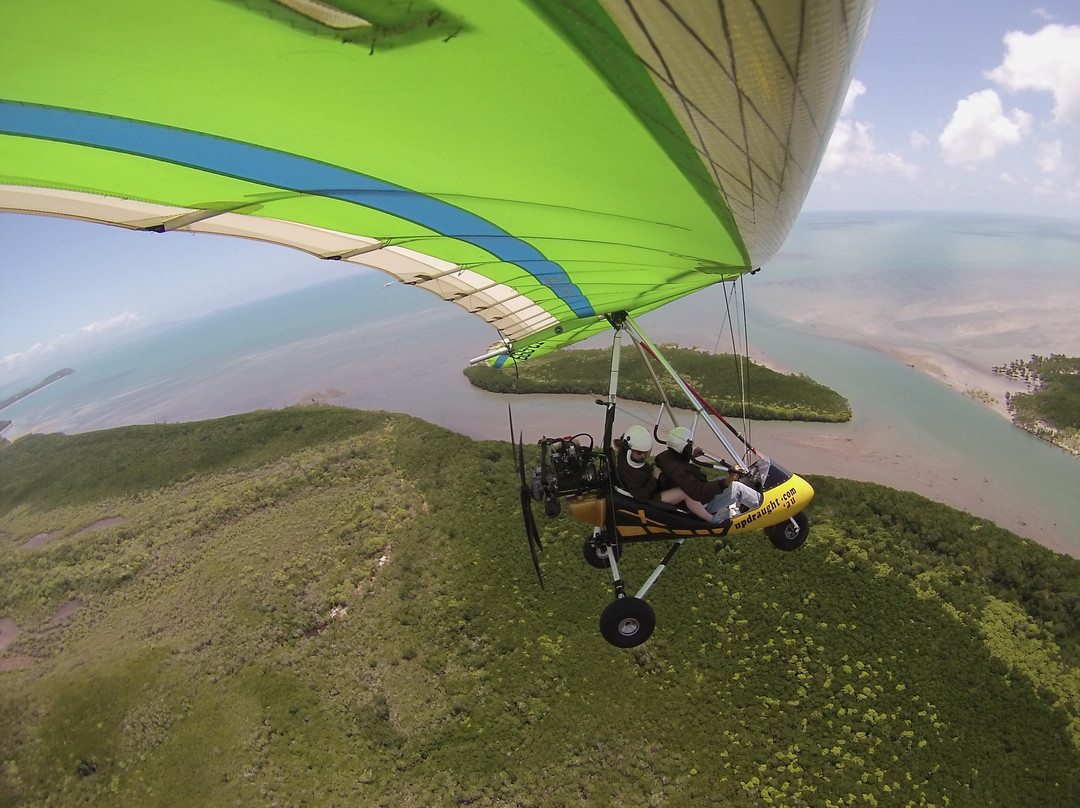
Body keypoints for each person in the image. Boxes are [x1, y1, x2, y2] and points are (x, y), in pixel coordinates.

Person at [654, 426, 762, 522]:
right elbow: (699, 492)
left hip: (687, 497)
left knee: (720, 478)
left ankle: (747, 498)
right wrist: (729, 479)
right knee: (737, 488)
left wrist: (692, 455)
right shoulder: (680, 472)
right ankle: (763, 505)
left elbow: (678, 463)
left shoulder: (665, 456)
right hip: (701, 505)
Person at [614, 425, 716, 524]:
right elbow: (641, 496)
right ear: (628, 449)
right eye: (639, 453)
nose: (643, 456)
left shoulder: (628, 457)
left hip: (655, 487)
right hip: (653, 497)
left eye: (645, 453)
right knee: (685, 492)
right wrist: (654, 478)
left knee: (675, 472)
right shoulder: (628, 470)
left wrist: (691, 456)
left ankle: (701, 502)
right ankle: (712, 520)